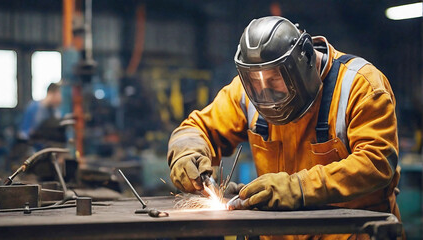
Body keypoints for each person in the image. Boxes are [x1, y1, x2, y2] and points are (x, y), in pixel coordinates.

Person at [167, 16, 401, 240]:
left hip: (350, 234)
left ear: (306, 58)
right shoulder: (250, 89)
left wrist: (299, 187)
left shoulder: (360, 85)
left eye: (275, 79)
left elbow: (376, 162)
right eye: (255, 81)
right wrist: (187, 151)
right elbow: (198, 128)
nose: (265, 91)